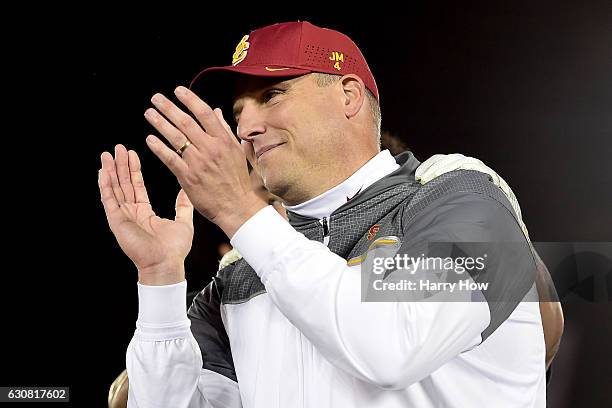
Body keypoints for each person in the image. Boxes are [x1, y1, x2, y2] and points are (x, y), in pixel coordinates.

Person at [99, 21, 562, 407]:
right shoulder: (242, 275)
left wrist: (239, 209)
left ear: (348, 95)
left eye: (273, 94)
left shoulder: (464, 200)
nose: (246, 127)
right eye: (238, 111)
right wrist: (160, 278)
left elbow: (391, 350)